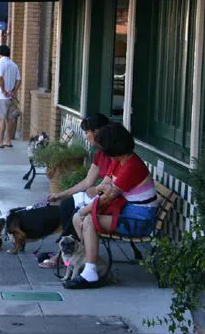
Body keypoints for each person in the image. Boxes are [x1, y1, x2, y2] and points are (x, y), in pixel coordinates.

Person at [64, 123, 158, 289]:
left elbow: (107, 196)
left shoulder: (131, 166)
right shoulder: (119, 160)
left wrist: (85, 209)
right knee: (78, 218)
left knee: (88, 220)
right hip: (127, 210)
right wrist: (100, 190)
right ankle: (93, 266)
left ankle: (90, 271)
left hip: (139, 219)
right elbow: (101, 188)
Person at [37, 113, 112, 269]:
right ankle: (68, 251)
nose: (85, 136)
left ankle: (66, 255)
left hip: (110, 202)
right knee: (66, 204)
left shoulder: (113, 155)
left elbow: (109, 187)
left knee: (78, 212)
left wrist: (96, 191)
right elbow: (88, 181)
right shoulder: (100, 154)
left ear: (97, 132)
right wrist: (60, 194)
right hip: (102, 197)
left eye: (87, 132)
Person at [0, 45, 21, 148]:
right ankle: (8, 141)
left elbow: (0, 78)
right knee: (10, 119)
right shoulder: (14, 64)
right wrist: (13, 91)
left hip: (1, 96)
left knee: (0, 119)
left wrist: (3, 91)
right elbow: (19, 80)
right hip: (10, 97)